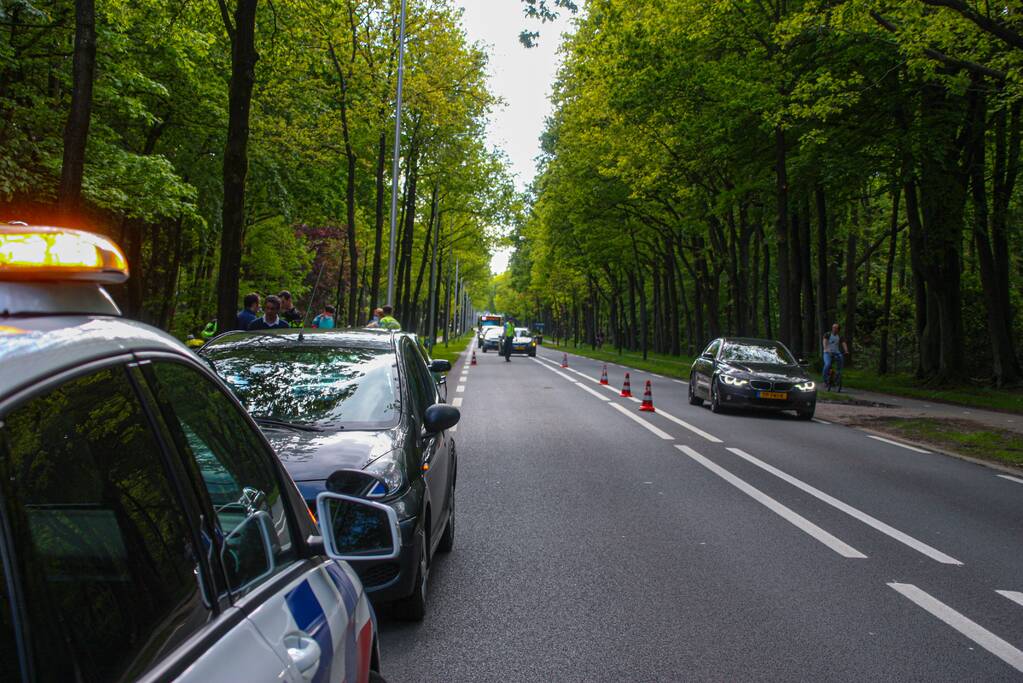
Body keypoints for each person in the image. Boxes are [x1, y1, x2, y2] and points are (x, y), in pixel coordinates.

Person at [822, 322, 849, 390]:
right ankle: (825, 380)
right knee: (827, 365)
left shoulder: (840, 336)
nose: (834, 329)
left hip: (836, 352)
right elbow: (824, 343)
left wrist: (846, 351)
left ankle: (837, 379)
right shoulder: (827, 334)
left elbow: (844, 344)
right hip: (827, 353)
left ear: (838, 329)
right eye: (833, 327)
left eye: (836, 328)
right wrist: (827, 349)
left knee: (840, 362)